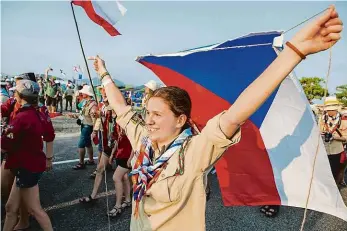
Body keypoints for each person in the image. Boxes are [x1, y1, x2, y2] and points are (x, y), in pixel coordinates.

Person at [89, 6, 342, 230]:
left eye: (157, 114)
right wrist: (104, 74)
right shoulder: (143, 138)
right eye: (147, 113)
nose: (149, 120)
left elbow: (237, 112)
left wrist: (295, 51)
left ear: (180, 120)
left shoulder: (194, 152)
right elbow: (121, 108)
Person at [1, 80, 55, 231]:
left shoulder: (22, 117)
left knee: (35, 210)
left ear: (19, 95)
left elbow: (5, 144)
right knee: (11, 208)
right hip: (30, 164)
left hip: (26, 166)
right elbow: (49, 135)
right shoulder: (38, 113)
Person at [68, 85, 98, 170]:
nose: (81, 93)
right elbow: (83, 114)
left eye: (83, 92)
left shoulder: (93, 105)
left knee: (81, 145)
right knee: (88, 144)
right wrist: (74, 116)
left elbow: (95, 119)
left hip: (88, 127)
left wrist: (94, 131)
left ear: (87, 94)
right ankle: (91, 160)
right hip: (84, 125)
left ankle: (81, 163)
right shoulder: (86, 102)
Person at [320, 96, 347, 183]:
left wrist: (334, 137)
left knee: (334, 172)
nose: (329, 111)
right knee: (324, 172)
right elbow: (318, 131)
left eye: (331, 109)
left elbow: (345, 138)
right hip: (324, 149)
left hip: (337, 151)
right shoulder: (323, 119)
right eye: (328, 109)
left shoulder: (343, 120)